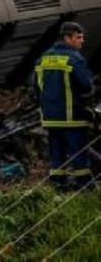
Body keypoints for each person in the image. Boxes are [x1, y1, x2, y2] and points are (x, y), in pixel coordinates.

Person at [32, 21, 95, 190]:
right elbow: (87, 86)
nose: (81, 41)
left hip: (51, 118)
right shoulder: (74, 58)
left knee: (56, 155)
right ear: (67, 38)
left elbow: (36, 88)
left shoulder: (43, 58)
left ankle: (58, 186)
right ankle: (85, 186)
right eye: (78, 38)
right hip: (72, 118)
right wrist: (88, 106)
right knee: (79, 154)